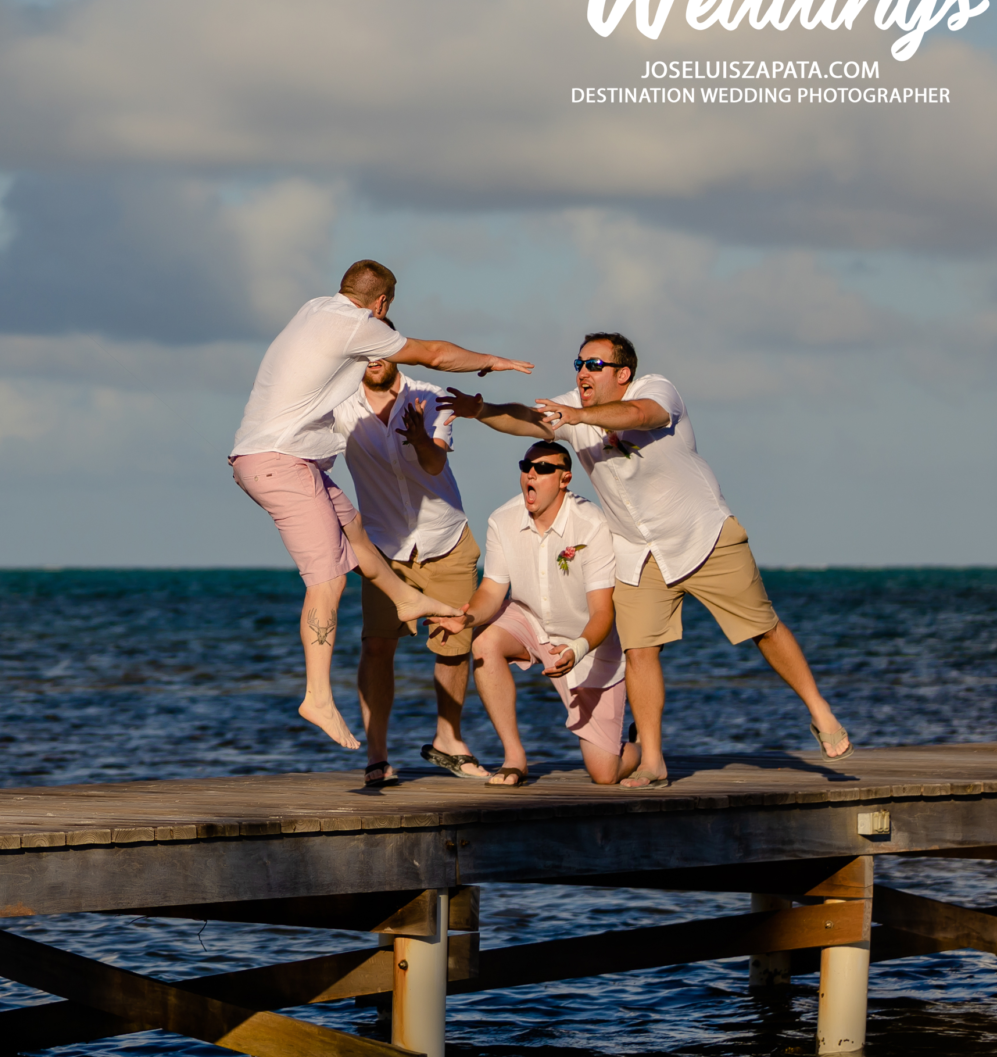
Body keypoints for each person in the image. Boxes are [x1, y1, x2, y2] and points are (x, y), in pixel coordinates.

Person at [450, 332, 850, 787]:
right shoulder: (570, 408)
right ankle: (653, 760)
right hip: (638, 553)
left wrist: (578, 417)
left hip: (702, 535)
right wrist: (480, 411)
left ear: (623, 373)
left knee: (763, 627)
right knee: (640, 650)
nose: (582, 371)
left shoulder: (657, 390)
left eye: (594, 365)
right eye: (578, 363)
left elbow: (641, 415)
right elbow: (526, 419)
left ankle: (820, 711)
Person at [229, 260, 533, 749]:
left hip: (288, 460)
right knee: (326, 580)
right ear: (382, 305)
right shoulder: (356, 325)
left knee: (353, 532)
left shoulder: (315, 309)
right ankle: (317, 695)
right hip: (279, 462)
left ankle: (406, 598)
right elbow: (432, 353)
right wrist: (492, 361)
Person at [331, 351, 487, 786]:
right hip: (383, 549)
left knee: (453, 646)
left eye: (383, 352)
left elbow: (435, 462)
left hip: (445, 539)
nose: (374, 360)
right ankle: (377, 755)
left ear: (397, 352)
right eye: (364, 354)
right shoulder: (338, 406)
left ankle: (448, 740)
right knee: (377, 647)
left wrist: (419, 438)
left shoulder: (429, 395)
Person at [463, 440, 638, 787]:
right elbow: (492, 592)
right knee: (484, 644)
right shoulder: (502, 519)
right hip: (530, 622)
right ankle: (514, 759)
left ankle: (641, 746)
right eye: (526, 466)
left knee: (605, 774)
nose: (531, 473)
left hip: (587, 647)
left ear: (564, 479)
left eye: (544, 468)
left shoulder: (591, 524)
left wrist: (578, 649)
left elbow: (603, 612)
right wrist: (465, 618)